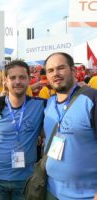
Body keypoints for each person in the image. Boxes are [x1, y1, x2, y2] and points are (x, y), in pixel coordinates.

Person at [0, 60, 45, 200]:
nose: (17, 81)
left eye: (22, 77)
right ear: (5, 80)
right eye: (13, 77)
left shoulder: (41, 106)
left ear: (29, 79)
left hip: (26, 179)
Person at [44, 52, 97, 200]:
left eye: (61, 68)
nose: (56, 74)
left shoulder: (92, 99)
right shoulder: (49, 103)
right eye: (50, 70)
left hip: (86, 195)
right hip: (51, 192)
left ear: (73, 71)